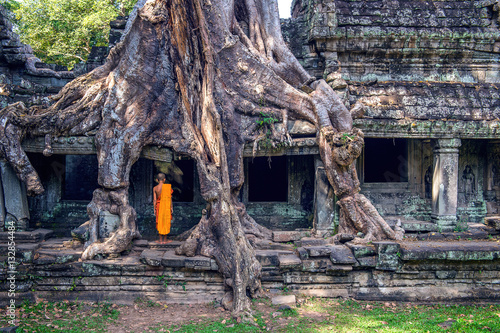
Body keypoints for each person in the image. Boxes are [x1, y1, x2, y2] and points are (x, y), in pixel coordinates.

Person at [153, 173, 173, 244]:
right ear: (164, 180)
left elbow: (155, 200)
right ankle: (165, 240)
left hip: (159, 206)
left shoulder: (155, 188)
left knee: (159, 222)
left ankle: (160, 240)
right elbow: (170, 198)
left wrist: (154, 209)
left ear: (157, 180)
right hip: (166, 206)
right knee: (166, 221)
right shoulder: (168, 187)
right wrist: (171, 207)